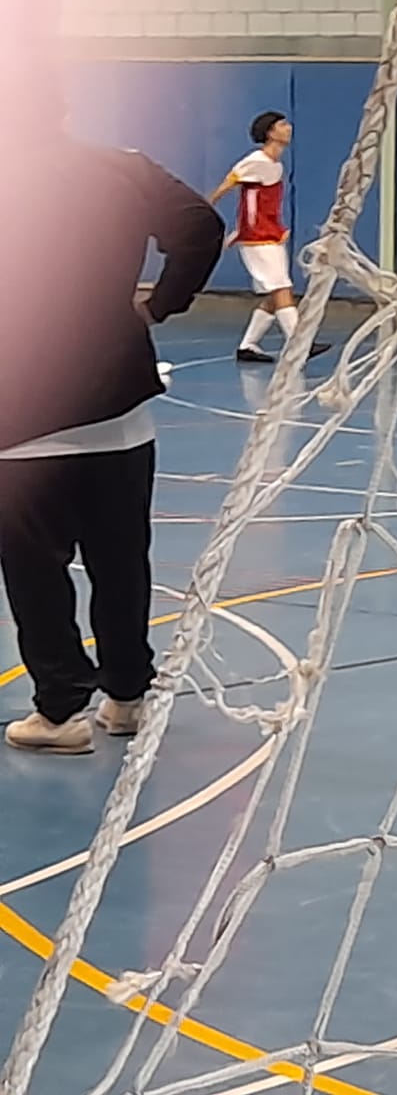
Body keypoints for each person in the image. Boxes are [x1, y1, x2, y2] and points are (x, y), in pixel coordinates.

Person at [0, 89, 225, 753]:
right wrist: (157, 306)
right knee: (121, 559)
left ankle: (60, 711)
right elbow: (202, 227)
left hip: (22, 415)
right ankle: (127, 697)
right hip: (120, 411)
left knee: (35, 570)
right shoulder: (122, 166)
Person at [208, 111, 330, 364]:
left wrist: (276, 226)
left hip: (269, 235)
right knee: (282, 288)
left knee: (275, 294)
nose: (289, 128)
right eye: (282, 125)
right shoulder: (256, 160)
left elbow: (264, 203)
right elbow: (228, 183)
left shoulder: (275, 165)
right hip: (257, 238)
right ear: (270, 132)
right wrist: (205, 209)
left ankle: (248, 346)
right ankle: (300, 344)